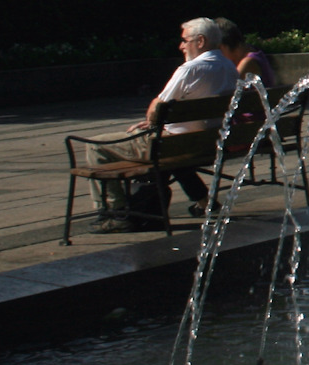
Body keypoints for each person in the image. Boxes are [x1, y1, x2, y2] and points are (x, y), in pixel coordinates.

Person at [89, 18, 239, 230]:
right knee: (177, 150)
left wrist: (151, 121)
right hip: (205, 142)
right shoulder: (229, 67)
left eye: (185, 40)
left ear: (201, 41)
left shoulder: (191, 69)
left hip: (172, 145)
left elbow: (156, 107)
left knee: (96, 145)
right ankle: (206, 203)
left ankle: (115, 212)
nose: (181, 46)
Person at [214, 18, 276, 88]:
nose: (217, 55)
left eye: (218, 50)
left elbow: (227, 88)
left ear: (224, 46)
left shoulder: (248, 62)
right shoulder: (250, 50)